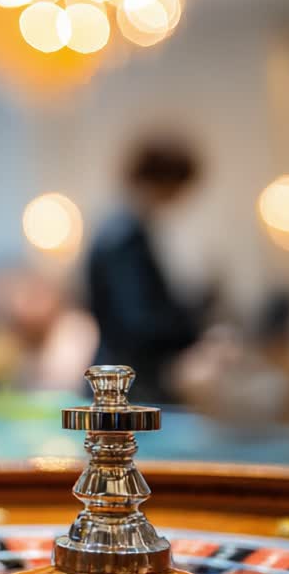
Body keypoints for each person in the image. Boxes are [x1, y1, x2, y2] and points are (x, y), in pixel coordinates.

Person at [86, 139, 204, 402]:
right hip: (128, 379)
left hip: (118, 373)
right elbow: (139, 320)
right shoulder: (126, 237)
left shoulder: (118, 230)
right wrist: (194, 330)